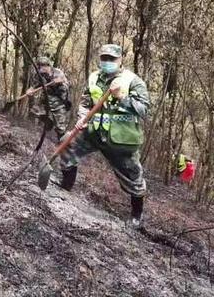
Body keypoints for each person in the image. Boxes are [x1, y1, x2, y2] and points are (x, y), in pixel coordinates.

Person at [60, 44, 150, 228]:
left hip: (120, 138)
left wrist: (122, 97)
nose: (107, 62)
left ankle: (136, 216)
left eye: (112, 59)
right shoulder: (94, 77)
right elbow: (86, 100)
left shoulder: (132, 81)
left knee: (133, 176)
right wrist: (82, 118)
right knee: (67, 143)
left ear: (120, 60)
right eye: (104, 58)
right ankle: (65, 187)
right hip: (94, 131)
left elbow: (144, 110)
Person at [26, 56, 71, 142]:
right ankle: (48, 122)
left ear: (47, 66)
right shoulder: (39, 75)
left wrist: (59, 82)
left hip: (59, 102)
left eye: (41, 66)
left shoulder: (58, 72)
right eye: (39, 66)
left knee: (60, 128)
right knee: (35, 111)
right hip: (46, 101)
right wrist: (29, 91)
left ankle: (63, 145)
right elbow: (34, 86)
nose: (40, 69)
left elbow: (67, 85)